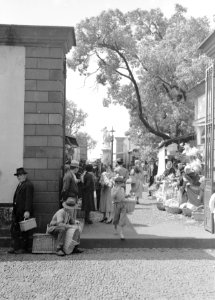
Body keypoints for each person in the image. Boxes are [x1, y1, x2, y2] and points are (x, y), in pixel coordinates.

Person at [8, 168, 34, 254]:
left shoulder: (28, 185)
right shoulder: (21, 184)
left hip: (24, 212)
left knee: (24, 231)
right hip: (18, 211)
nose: (19, 177)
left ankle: (23, 248)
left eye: (20, 175)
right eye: (18, 175)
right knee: (16, 230)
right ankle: (16, 247)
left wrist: (27, 211)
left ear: (25, 175)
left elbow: (28, 199)